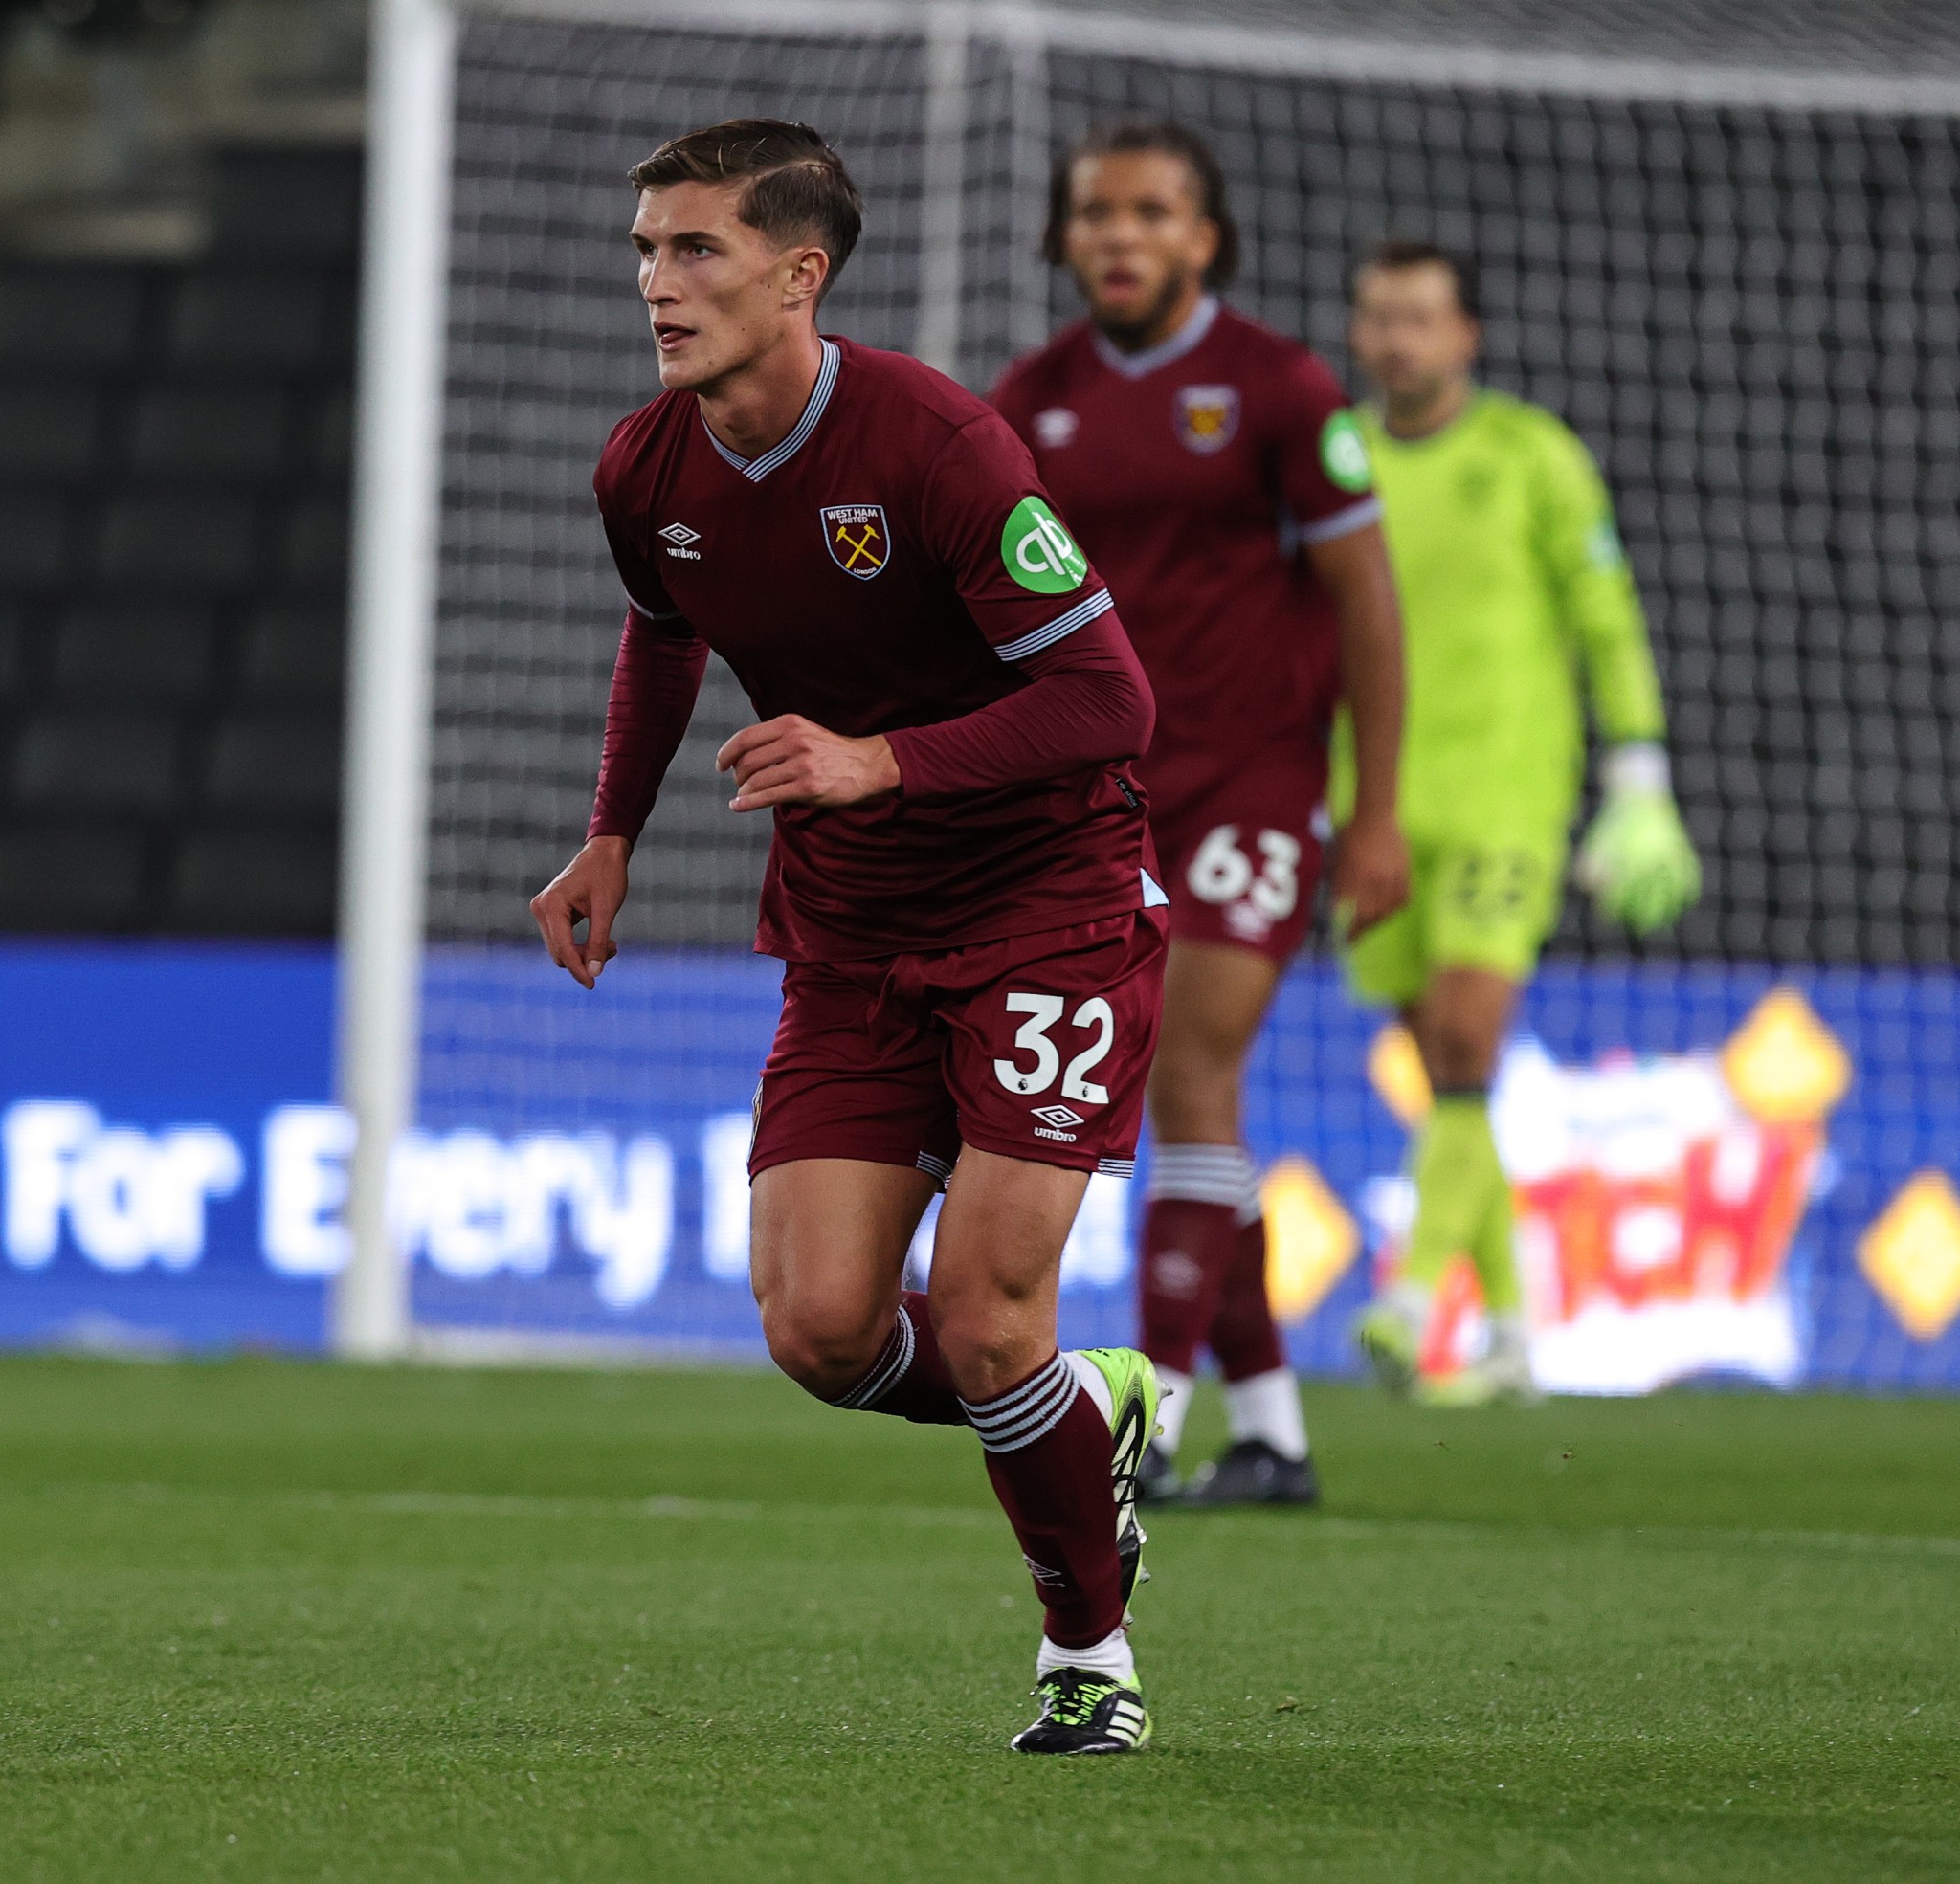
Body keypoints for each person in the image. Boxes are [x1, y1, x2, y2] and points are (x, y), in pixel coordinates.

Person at [528, 119, 1170, 1755]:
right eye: (647, 253)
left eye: (696, 253)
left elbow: (1111, 700)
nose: (659, 286)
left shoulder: (938, 447)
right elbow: (662, 635)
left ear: (797, 273)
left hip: (1046, 910)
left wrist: (880, 758)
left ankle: (1083, 1651)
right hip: (850, 929)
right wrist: (612, 828)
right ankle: (1082, 1410)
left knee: (982, 1311)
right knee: (821, 1329)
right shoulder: (645, 467)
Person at [991, 121, 1410, 1506]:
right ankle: (1274, 1429)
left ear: (1203, 237)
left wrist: (1375, 813)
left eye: (1152, 212)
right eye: (1095, 214)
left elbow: (1365, 601)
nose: (1120, 235)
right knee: (1189, 1099)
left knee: (1186, 1079)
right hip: (1096, 797)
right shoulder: (1027, 400)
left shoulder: (1277, 388)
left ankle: (1150, 1419)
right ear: (1064, 240)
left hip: (1252, 782)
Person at [1342, 238, 1699, 1405]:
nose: (1397, 337)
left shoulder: (1534, 456)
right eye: (1379, 316)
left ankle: (1409, 1295)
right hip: (1374, 808)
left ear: (1466, 337)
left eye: (1419, 318)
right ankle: (1506, 1332)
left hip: (1507, 798)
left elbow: (1606, 612)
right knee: (1446, 1070)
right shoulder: (1338, 460)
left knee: (1464, 1042)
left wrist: (1637, 771)